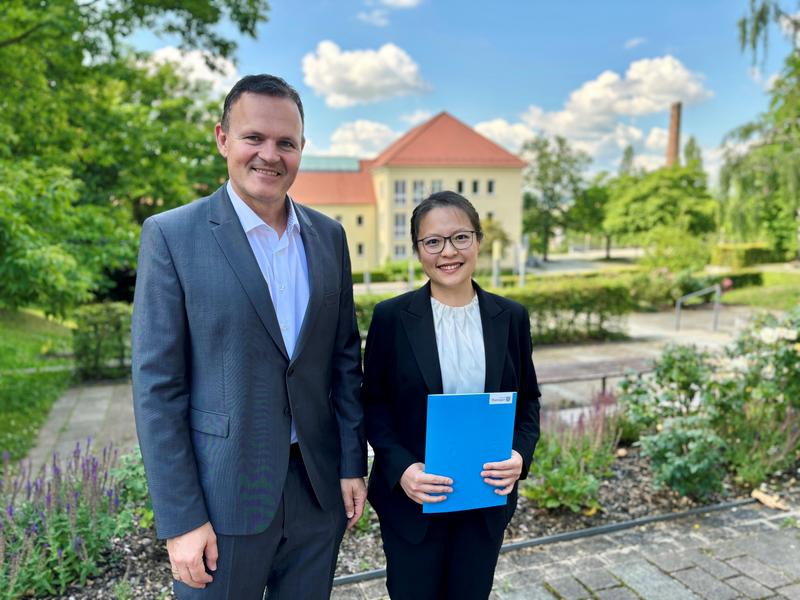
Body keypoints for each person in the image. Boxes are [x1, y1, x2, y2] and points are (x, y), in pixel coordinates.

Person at [131, 74, 367, 599]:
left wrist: (352, 462)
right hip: (221, 500)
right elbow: (157, 390)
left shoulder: (329, 237)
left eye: (286, 142)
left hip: (315, 492)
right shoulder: (171, 236)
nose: (270, 154)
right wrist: (181, 519)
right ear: (222, 139)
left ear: (302, 148)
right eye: (253, 138)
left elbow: (344, 360)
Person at [362, 191, 541, 599]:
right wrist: (403, 469)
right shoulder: (391, 317)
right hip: (414, 501)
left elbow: (527, 400)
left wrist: (519, 456)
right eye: (433, 241)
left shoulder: (510, 317)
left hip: (484, 500)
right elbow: (373, 403)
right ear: (418, 249)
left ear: (478, 240)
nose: (448, 252)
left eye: (460, 237)